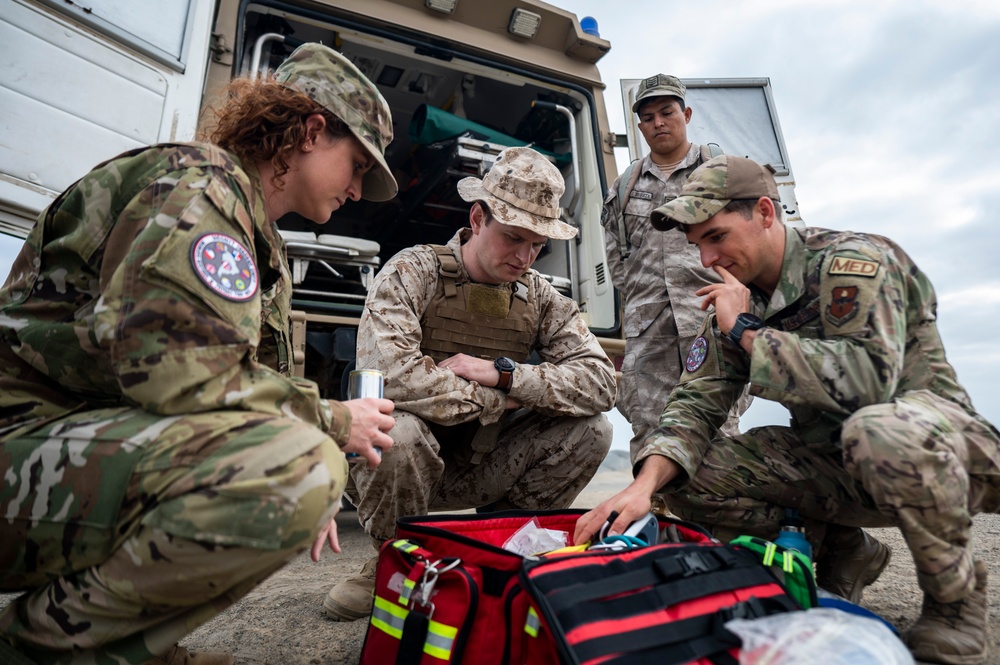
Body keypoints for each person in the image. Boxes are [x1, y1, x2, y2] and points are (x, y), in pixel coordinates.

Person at [0, 43, 397, 665]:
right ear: (312, 132)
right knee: (294, 471)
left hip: (54, 444)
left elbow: (247, 382)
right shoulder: (201, 188)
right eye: (357, 166)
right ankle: (45, 651)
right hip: (20, 441)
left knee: (298, 466)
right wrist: (330, 429)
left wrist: (301, 452)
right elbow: (180, 375)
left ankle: (127, 647)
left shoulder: (249, 227)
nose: (357, 189)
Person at [576, 155, 1000, 665]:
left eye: (716, 237)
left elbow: (869, 380)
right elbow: (695, 404)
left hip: (939, 450)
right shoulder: (739, 302)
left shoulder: (852, 262)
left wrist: (747, 333)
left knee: (877, 429)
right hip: (837, 464)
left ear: (764, 212)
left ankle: (956, 605)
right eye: (698, 245)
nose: (707, 260)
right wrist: (643, 487)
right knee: (684, 477)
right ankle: (844, 547)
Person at [324, 146, 617, 621]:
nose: (525, 257)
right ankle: (393, 560)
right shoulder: (412, 271)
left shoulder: (539, 296)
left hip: (485, 463)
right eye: (514, 238)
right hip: (406, 468)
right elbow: (394, 379)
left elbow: (602, 382)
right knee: (395, 431)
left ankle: (500, 547)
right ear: (478, 218)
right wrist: (502, 399)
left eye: (539, 245)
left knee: (594, 429)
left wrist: (505, 374)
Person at [600, 74, 745, 462]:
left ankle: (718, 521)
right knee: (649, 426)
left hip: (712, 322)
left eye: (667, 112)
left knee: (720, 426)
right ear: (640, 126)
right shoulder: (626, 184)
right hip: (650, 331)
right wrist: (641, 301)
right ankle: (657, 520)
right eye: (648, 117)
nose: (658, 123)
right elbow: (616, 254)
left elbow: (750, 241)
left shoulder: (720, 171)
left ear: (687, 114)